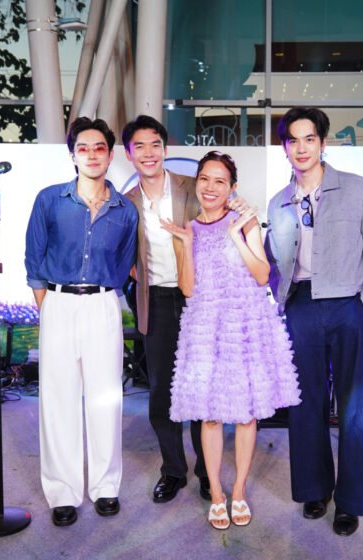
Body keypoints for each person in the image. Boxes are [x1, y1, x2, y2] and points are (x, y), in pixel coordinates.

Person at [264, 107, 363, 536]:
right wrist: (283, 300)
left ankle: (351, 501)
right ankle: (314, 490)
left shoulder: (355, 188)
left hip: (348, 305)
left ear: (322, 143)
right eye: (293, 140)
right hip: (301, 306)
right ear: (285, 147)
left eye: (309, 139)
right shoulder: (279, 202)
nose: (301, 148)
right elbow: (273, 260)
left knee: (353, 408)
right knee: (305, 403)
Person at [164, 151, 301, 530]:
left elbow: (262, 275)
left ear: (232, 187)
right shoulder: (187, 229)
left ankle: (238, 490)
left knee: (245, 414)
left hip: (243, 324)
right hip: (205, 326)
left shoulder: (246, 221)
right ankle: (216, 494)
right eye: (204, 179)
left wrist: (237, 236)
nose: (210, 187)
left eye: (219, 181)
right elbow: (187, 288)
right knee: (209, 415)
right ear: (197, 183)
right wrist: (186, 244)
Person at [24, 117, 138, 527]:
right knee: (59, 400)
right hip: (57, 303)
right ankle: (63, 492)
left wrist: (101, 297)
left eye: (99, 148)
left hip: (103, 304)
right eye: (83, 148)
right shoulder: (49, 200)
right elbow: (34, 260)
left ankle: (105, 487)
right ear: (72, 155)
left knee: (106, 398)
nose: (91, 155)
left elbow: (124, 264)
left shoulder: (125, 210)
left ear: (110, 154)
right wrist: (51, 308)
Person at [121, 115, 209, 503]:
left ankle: (207, 471)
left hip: (198, 300)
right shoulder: (126, 204)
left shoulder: (193, 187)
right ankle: (173, 470)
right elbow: (123, 255)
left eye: (154, 144)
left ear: (165, 148)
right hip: (155, 301)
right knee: (162, 393)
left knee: (201, 390)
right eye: (139, 146)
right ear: (129, 154)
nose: (148, 152)